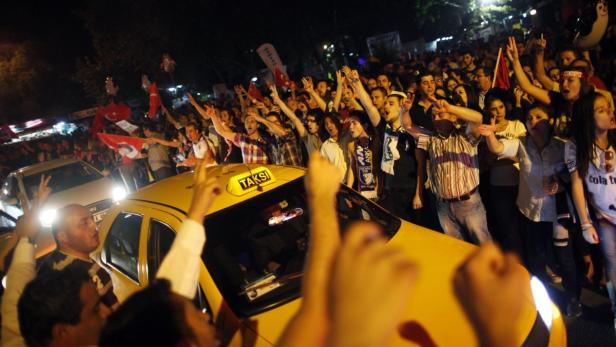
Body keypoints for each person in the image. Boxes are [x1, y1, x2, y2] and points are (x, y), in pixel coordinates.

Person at [480, 103, 582, 316]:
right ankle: (542, 300)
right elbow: (498, 148)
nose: (533, 121)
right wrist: (490, 135)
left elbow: (573, 177)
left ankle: (573, 298)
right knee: (536, 260)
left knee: (564, 259)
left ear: (549, 121)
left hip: (557, 215)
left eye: (538, 117)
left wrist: (559, 183)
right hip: (530, 212)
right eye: (529, 118)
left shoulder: (562, 147)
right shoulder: (520, 144)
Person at [347, 68, 423, 222]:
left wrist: (418, 194)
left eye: (391, 103)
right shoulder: (384, 129)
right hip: (391, 191)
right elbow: (369, 107)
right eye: (386, 103)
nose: (386, 106)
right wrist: (356, 83)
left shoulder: (411, 131)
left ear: (402, 106)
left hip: (409, 191)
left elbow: (421, 164)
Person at [413, 99, 492, 245]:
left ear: (453, 117)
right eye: (433, 116)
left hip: (468, 203)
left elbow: (478, 118)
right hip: (443, 205)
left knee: (482, 245)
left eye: (440, 115)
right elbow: (407, 126)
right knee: (456, 247)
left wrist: (450, 108)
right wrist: (404, 111)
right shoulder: (431, 139)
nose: (436, 119)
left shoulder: (465, 136)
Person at [568, 91, 616, 329]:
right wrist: (585, 222)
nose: (609, 113)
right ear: (588, 117)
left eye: (608, 108)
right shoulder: (576, 146)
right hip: (605, 217)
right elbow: (577, 184)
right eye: (601, 110)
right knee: (612, 265)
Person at [37, 203, 120, 312]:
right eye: (84, 223)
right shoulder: (63, 274)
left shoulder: (81, 258)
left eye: (92, 219)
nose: (95, 226)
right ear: (63, 237)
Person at [270, 85, 323, 159]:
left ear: (319, 122)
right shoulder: (308, 136)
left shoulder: (327, 135)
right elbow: (294, 118)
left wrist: (312, 92)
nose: (308, 123)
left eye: (312, 121)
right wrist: (278, 100)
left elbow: (327, 110)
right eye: (308, 121)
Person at [345, 111, 381, 201]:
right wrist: (349, 190)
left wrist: (379, 189)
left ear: (365, 125)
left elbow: (380, 167)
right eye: (350, 123)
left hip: (379, 191)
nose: (350, 127)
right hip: (362, 193)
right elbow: (352, 168)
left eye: (354, 123)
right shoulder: (351, 145)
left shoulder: (376, 141)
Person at [320, 113, 347, 182]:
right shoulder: (325, 146)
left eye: (332, 122)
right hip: (339, 185)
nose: (329, 126)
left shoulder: (349, 137)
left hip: (354, 182)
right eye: (326, 124)